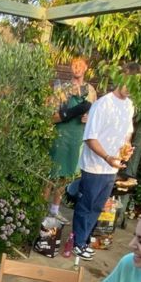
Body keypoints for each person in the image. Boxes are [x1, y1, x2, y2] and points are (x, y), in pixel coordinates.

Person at [72, 62, 141, 261]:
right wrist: (107, 157)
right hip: (95, 165)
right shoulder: (103, 104)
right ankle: (78, 243)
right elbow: (90, 137)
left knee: (97, 206)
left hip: (112, 167)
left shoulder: (129, 105)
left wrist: (126, 149)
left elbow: (127, 132)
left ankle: (84, 240)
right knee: (87, 205)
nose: (132, 88)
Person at [43, 57, 97, 225]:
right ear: (70, 67)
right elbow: (50, 114)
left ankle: (54, 210)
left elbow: (95, 115)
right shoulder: (62, 89)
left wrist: (88, 118)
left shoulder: (91, 90)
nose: (77, 68)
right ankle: (39, 210)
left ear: (86, 68)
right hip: (61, 136)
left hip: (76, 138)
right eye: (74, 65)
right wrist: (67, 114)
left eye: (80, 65)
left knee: (64, 176)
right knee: (50, 174)